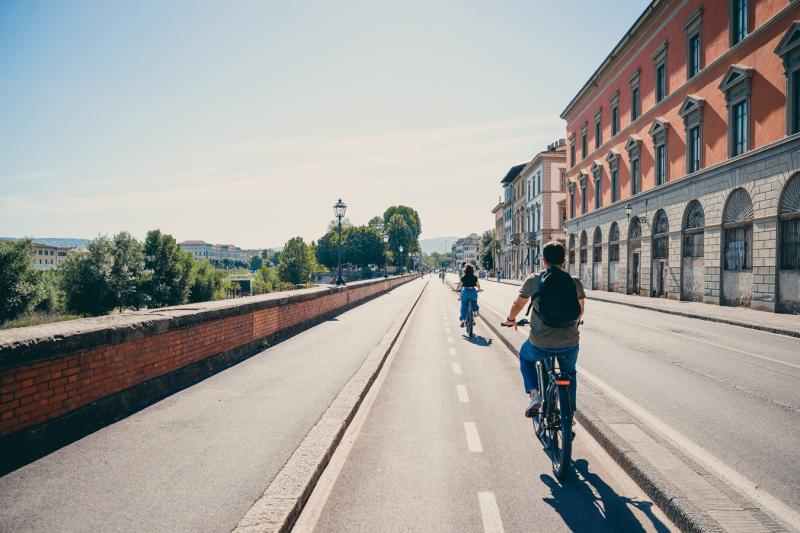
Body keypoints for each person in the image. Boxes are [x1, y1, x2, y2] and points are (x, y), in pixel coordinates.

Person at [501, 241, 584, 418]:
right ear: (564, 261)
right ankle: (569, 412)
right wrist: (576, 323)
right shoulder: (574, 282)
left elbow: (518, 305)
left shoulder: (534, 280)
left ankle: (535, 395)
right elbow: (580, 309)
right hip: (569, 343)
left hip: (540, 343)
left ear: (543, 260)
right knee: (570, 373)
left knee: (525, 356)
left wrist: (510, 319)